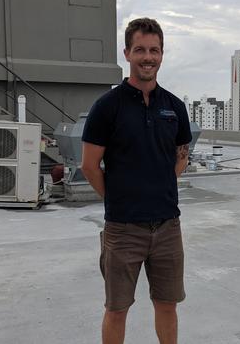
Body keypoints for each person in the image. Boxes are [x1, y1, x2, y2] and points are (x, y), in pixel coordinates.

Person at [81, 17, 192, 344]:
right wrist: (120, 199)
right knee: (117, 308)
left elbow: (181, 155)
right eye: (140, 49)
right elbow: (89, 165)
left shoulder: (174, 107)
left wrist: (158, 186)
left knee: (168, 305)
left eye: (154, 50)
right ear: (127, 53)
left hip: (168, 228)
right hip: (123, 230)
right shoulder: (107, 107)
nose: (148, 56)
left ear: (162, 54)